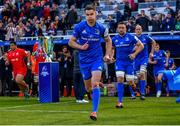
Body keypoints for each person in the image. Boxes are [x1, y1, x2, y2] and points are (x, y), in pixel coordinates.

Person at [68, 5, 112, 121]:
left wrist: (107, 55)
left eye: (91, 14)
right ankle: (98, 83)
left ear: (95, 14)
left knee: (94, 84)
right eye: (87, 15)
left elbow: (108, 41)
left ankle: (94, 112)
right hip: (84, 61)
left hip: (97, 59)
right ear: (85, 15)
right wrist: (80, 47)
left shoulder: (102, 28)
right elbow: (71, 42)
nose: (89, 17)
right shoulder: (79, 27)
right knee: (88, 88)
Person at [112, 22, 144, 108]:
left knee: (130, 81)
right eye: (120, 28)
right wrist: (111, 56)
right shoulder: (114, 39)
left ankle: (134, 88)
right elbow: (111, 48)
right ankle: (120, 102)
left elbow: (141, 46)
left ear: (126, 28)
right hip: (119, 63)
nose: (121, 29)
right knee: (120, 79)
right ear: (117, 29)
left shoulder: (131, 37)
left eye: (123, 27)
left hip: (129, 63)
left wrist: (134, 54)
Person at [133, 24, 156, 100]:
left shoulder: (145, 37)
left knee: (142, 73)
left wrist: (152, 52)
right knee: (138, 78)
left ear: (142, 30)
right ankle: (137, 93)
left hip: (144, 59)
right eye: (137, 29)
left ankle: (142, 93)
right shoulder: (132, 38)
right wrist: (134, 49)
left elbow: (153, 42)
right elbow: (130, 49)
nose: (138, 30)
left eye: (139, 29)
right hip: (136, 60)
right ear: (135, 30)